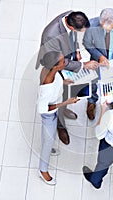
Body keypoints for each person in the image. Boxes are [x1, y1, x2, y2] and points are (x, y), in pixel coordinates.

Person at [36, 10, 99, 145]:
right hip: (54, 67)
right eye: (79, 31)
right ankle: (60, 125)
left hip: (65, 60)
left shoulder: (70, 15)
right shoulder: (50, 36)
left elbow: (72, 37)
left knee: (66, 91)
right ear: (71, 26)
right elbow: (58, 62)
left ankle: (64, 110)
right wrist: (83, 65)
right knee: (57, 96)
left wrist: (75, 51)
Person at [37, 51, 79, 185]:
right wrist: (66, 103)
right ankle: (43, 170)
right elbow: (43, 108)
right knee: (49, 140)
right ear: (55, 66)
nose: (64, 62)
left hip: (55, 106)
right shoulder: (47, 87)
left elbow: (57, 81)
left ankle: (47, 148)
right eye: (62, 61)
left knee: (48, 138)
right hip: (49, 115)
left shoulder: (50, 70)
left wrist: (64, 82)